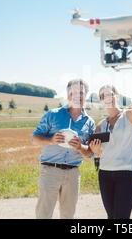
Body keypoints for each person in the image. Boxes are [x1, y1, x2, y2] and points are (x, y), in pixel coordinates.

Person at [89, 85, 132, 219]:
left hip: (127, 175)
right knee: (111, 217)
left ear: (117, 97)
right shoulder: (100, 125)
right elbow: (99, 152)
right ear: (101, 101)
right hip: (105, 175)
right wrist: (96, 150)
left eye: (110, 95)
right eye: (103, 96)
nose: (107, 98)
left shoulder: (130, 115)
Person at [31, 79, 95, 219]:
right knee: (44, 214)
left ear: (86, 96)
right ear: (68, 95)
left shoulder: (89, 122)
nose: (78, 96)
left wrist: (80, 147)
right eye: (74, 93)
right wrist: (51, 140)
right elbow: (35, 138)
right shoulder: (52, 115)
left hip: (73, 173)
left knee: (68, 215)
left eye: (81, 93)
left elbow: (90, 153)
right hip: (50, 171)